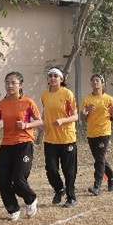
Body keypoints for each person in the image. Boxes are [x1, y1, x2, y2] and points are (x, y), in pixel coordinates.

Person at [0, 71, 44, 220]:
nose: (9, 85)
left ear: (20, 85)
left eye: (13, 83)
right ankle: (12, 209)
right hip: (7, 145)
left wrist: (27, 125)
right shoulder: (1, 105)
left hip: (24, 143)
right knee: (3, 179)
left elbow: (39, 121)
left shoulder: (28, 102)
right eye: (7, 82)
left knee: (19, 179)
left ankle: (30, 198)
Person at [41, 67, 80, 207]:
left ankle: (71, 197)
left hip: (66, 138)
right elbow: (45, 111)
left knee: (68, 170)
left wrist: (62, 121)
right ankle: (59, 188)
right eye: (50, 76)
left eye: (55, 76)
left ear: (61, 79)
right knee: (51, 169)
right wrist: (41, 123)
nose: (52, 78)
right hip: (50, 138)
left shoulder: (67, 94)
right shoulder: (44, 95)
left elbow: (75, 116)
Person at [80, 73, 113, 195]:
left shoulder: (108, 99)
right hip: (92, 132)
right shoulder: (87, 99)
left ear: (102, 83)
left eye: (97, 80)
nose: (95, 83)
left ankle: (97, 185)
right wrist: (86, 111)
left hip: (104, 132)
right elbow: (83, 118)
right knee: (99, 158)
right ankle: (112, 176)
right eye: (93, 81)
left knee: (99, 159)